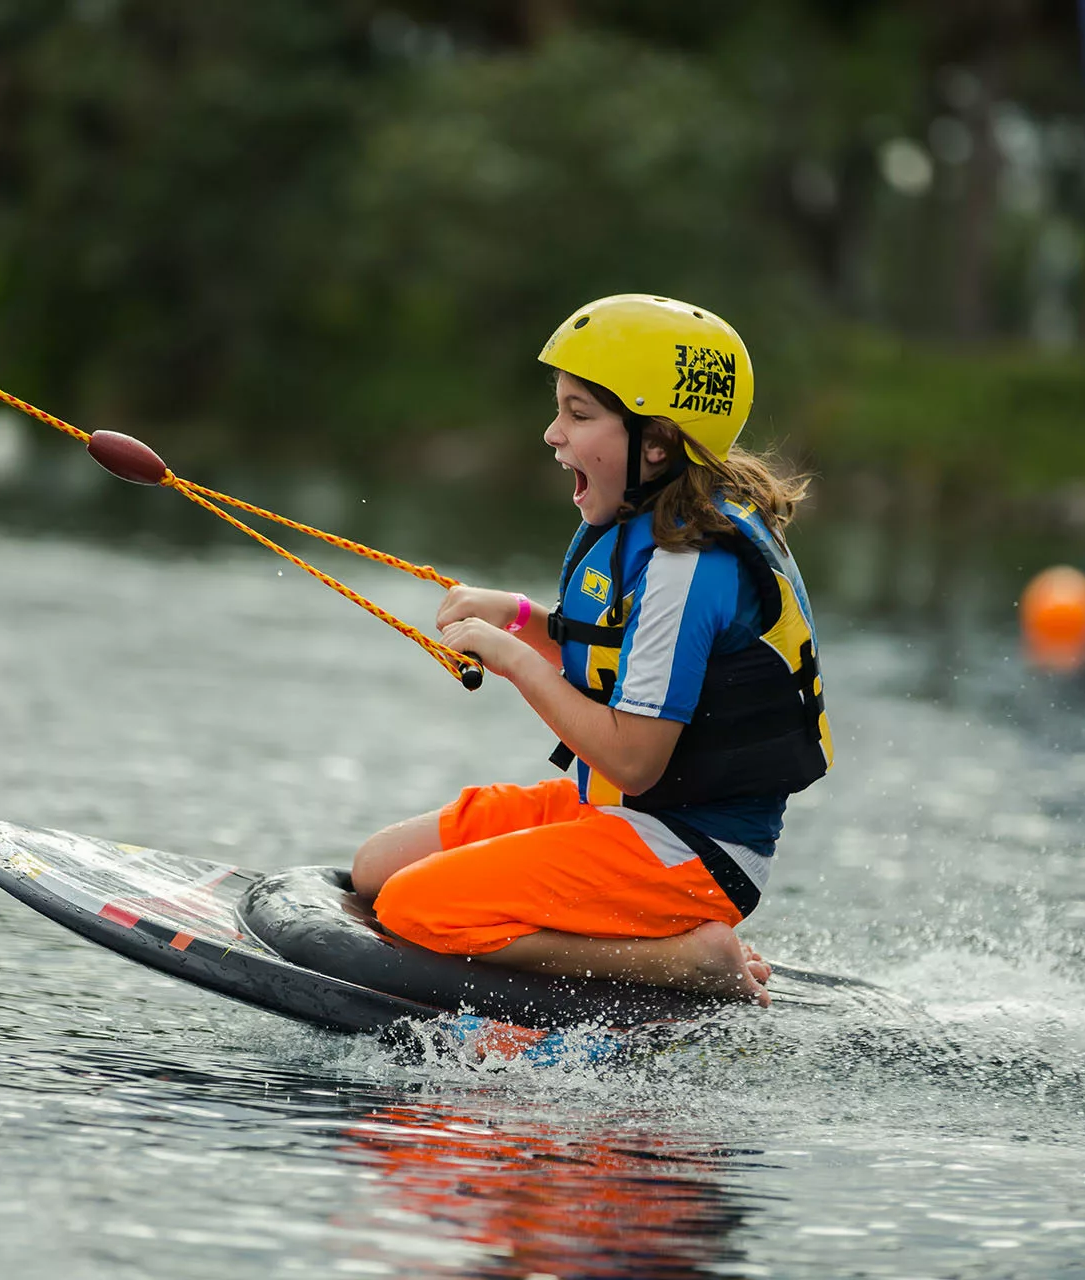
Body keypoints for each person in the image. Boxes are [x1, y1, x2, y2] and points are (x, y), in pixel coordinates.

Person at [350, 295, 832, 1004]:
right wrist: (521, 619)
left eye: (578, 415)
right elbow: (622, 660)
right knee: (376, 868)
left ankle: (689, 959)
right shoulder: (658, 521)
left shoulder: (689, 567)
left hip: (688, 851)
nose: (553, 434)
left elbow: (635, 759)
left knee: (412, 906)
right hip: (614, 814)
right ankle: (653, 937)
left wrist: (512, 660)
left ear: (656, 442)